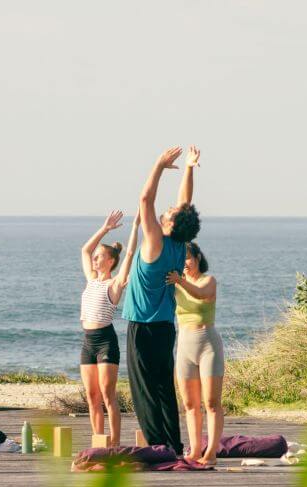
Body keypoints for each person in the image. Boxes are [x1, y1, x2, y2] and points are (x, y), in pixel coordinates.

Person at [122, 145, 201, 454]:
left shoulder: (155, 241)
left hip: (143, 327)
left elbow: (145, 200)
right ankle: (174, 444)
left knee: (144, 390)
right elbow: (185, 204)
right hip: (166, 326)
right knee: (164, 387)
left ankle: (159, 446)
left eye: (168, 214)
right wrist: (190, 168)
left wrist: (157, 165)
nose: (166, 210)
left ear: (168, 224)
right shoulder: (181, 244)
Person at [79, 210, 140, 447]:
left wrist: (135, 228)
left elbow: (131, 253)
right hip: (88, 341)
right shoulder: (91, 279)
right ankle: (99, 442)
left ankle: (114, 444)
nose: (94, 259)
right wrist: (104, 228)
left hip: (105, 341)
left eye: (99, 257)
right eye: (95, 257)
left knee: (107, 395)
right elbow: (85, 250)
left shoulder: (114, 285)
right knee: (92, 398)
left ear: (111, 261)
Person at [166, 242, 224, 465]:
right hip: (184, 345)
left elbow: (201, 295)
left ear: (198, 257)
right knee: (190, 404)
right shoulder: (175, 283)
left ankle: (211, 453)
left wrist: (179, 280)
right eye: (182, 260)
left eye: (188, 258)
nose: (185, 264)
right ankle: (195, 449)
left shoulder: (208, 280)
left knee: (211, 402)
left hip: (207, 343)